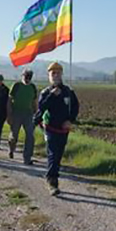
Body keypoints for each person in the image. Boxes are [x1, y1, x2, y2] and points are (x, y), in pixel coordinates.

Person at [34, 62, 79, 196]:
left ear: (62, 74)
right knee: (53, 153)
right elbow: (41, 107)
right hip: (50, 128)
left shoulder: (68, 92)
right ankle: (52, 181)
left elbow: (75, 107)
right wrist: (52, 95)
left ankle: (52, 175)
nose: (55, 75)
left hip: (63, 129)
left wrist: (70, 120)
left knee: (58, 154)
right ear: (49, 76)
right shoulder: (46, 92)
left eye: (58, 72)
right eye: (53, 73)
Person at [7, 69, 38, 165]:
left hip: (28, 114)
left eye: (29, 77)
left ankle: (27, 158)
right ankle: (12, 149)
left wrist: (36, 113)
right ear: (22, 76)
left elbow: (34, 101)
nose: (27, 79)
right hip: (16, 113)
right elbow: (9, 100)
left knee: (30, 136)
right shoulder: (16, 86)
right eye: (26, 76)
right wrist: (9, 115)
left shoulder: (33, 87)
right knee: (14, 135)